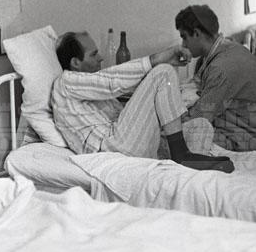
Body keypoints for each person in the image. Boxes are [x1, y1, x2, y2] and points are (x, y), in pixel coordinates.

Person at [51, 31, 234, 172]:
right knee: (163, 72)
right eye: (94, 54)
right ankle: (181, 155)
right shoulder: (66, 83)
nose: (101, 58)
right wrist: (158, 59)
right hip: (113, 149)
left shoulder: (90, 88)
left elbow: (119, 93)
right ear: (75, 62)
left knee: (201, 125)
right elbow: (110, 82)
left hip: (129, 142)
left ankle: (186, 166)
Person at [174, 5, 256, 152]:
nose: (183, 44)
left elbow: (200, 116)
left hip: (245, 140)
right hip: (235, 131)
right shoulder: (224, 51)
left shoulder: (222, 67)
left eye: (184, 37)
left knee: (171, 140)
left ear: (196, 33)